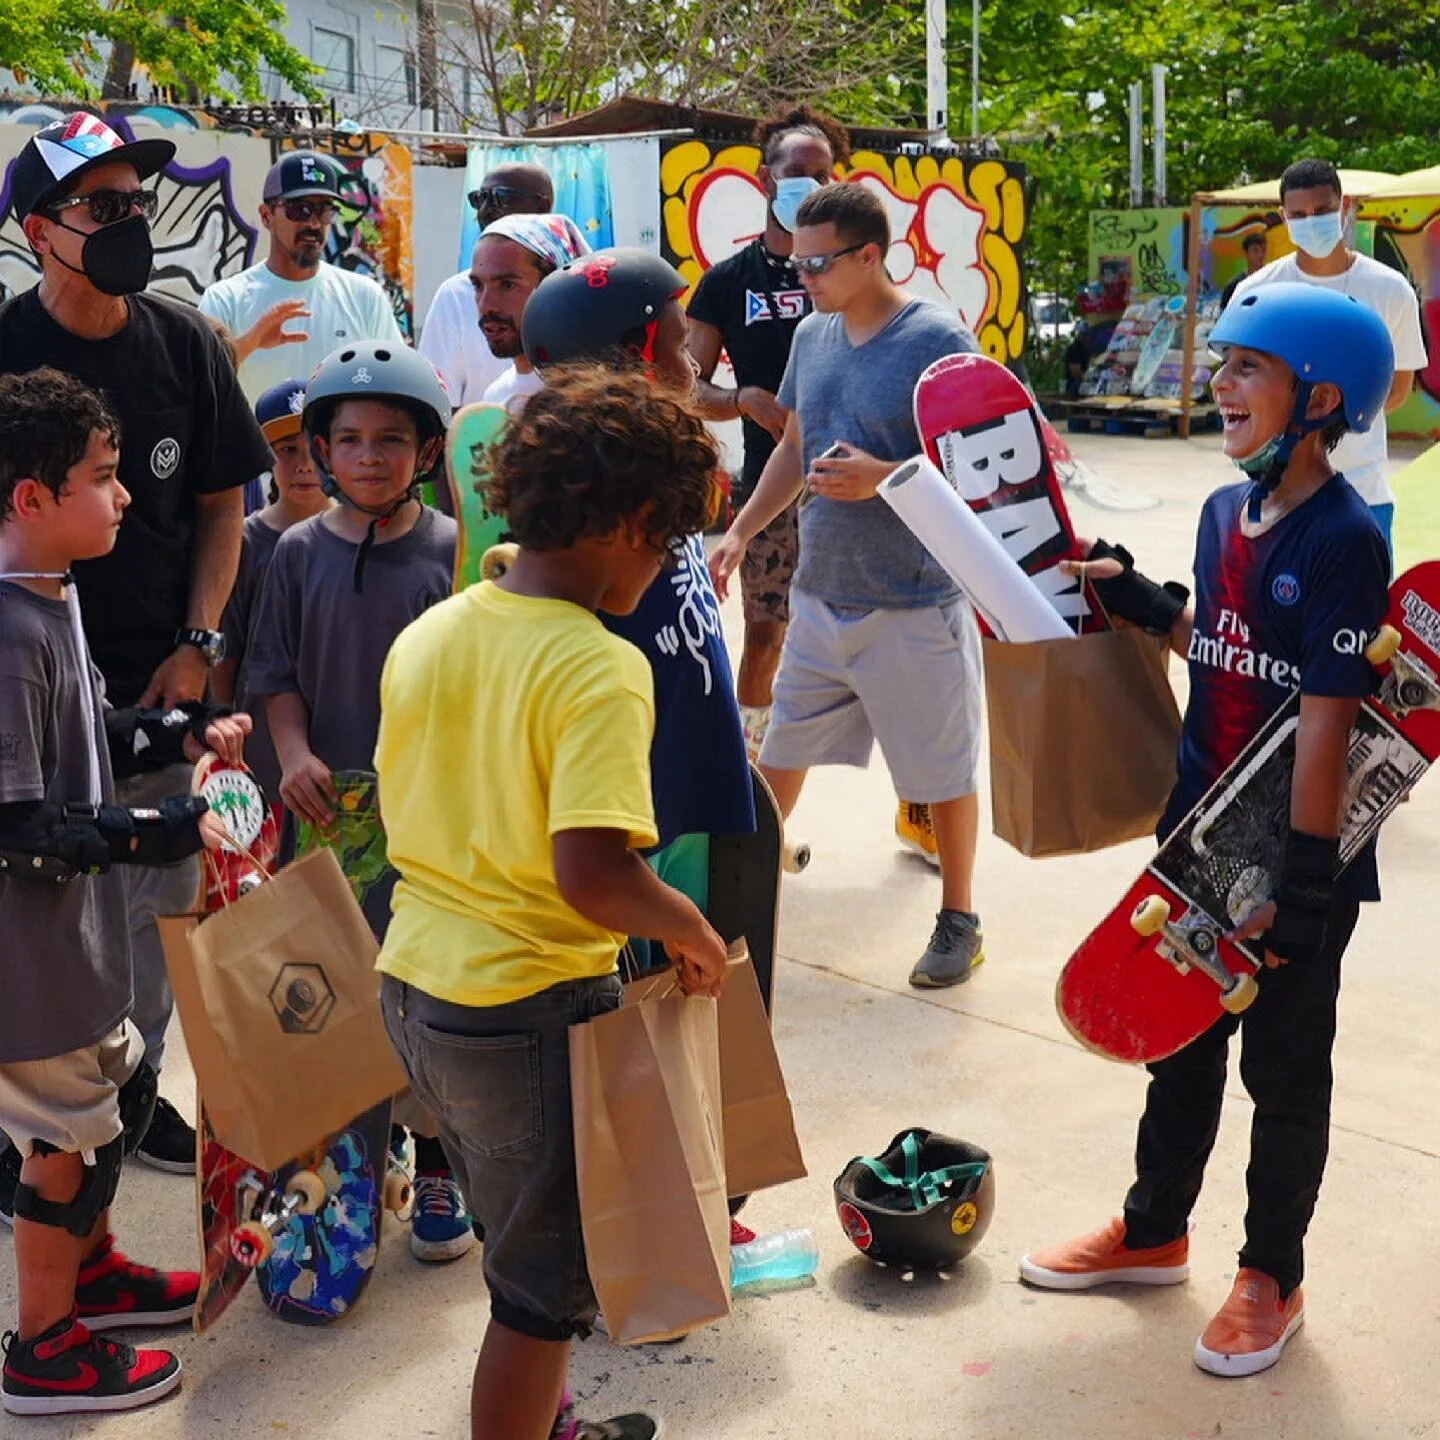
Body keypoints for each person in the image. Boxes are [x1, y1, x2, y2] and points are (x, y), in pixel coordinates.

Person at [1019, 283, 1395, 1380]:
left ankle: (1270, 1278)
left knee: (1284, 1076)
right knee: (1177, 1049)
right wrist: (1148, 604)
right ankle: (1151, 1231)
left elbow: (1322, 731)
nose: (1218, 383)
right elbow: (1233, 650)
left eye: (1246, 369)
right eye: (1220, 362)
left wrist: (1307, 889)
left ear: (1318, 398)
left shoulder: (1343, 543)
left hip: (1289, 860)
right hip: (1194, 838)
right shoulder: (1225, 513)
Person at [375, 363, 728, 1440]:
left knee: (515, 1228)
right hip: (524, 1008)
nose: (665, 565)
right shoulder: (597, 666)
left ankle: (548, 1422)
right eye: (667, 541)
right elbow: (595, 875)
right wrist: (693, 929)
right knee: (541, 1294)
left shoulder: (437, 629)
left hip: (418, 988)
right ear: (628, 522)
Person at [0, 115, 272, 1173]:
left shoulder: (186, 342)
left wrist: (200, 644)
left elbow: (221, 507)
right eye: (101, 206)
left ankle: (133, 1085)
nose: (129, 222)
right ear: (40, 230)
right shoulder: (7, 352)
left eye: (136, 204)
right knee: (33, 904)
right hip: (28, 687)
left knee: (157, 903)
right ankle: (30, 1110)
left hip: (163, 678)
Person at [0, 367, 249, 1415]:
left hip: (76, 947)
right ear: (31, 499)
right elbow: (17, 827)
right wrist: (161, 827)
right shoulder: (6, 636)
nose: (128, 497)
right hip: (28, 962)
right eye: (104, 479)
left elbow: (90, 733)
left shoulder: (53, 599)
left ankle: (93, 1277)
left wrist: (177, 734)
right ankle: (44, 1349)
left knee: (126, 1088)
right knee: (66, 1143)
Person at [708, 183, 988, 989]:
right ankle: (733, 902)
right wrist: (741, 529)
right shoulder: (815, 335)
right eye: (796, 264)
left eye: (820, 263)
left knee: (942, 775)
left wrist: (888, 477)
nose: (804, 279)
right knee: (782, 754)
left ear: (872, 255)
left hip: (914, 599)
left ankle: (960, 919)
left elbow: (980, 462)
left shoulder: (936, 338)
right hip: (820, 596)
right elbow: (793, 449)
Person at [244, 342, 476, 1264]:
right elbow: (275, 674)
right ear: (322, 452)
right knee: (339, 994)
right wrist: (293, 751)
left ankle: (439, 1160)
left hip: (433, 824)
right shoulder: (296, 553)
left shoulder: (459, 554)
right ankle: (347, 1167)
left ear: (427, 452)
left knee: (432, 993)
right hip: (326, 821)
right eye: (349, 440)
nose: (370, 456)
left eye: (392, 439)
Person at [521, 248, 755, 927]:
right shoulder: (584, 492)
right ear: (633, 354)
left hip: (689, 754)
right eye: (681, 347)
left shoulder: (659, 459)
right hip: (627, 788)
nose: (694, 368)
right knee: (643, 973)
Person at [686, 104, 849, 763]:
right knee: (764, 636)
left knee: (882, 642)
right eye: (795, 172)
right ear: (764, 180)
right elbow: (686, 387)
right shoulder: (727, 283)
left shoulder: (852, 272)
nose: (807, 185)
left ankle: (920, 802)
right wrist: (742, 398)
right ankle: (746, 775)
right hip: (771, 490)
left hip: (853, 486)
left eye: (821, 174)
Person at [1231, 157, 1428, 554]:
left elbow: (1398, 389)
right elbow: (1239, 389)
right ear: (1282, 217)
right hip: (1277, 495)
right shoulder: (1256, 293)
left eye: (1322, 211)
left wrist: (1329, 424)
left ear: (1345, 206)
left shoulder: (1390, 291)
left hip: (1364, 493)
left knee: (1361, 616)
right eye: (1299, 215)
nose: (1311, 221)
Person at [199, 150, 405, 403]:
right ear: (267, 216)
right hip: (255, 443)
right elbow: (198, 387)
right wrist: (248, 344)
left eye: (325, 211)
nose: (314, 224)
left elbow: (396, 383)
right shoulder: (226, 299)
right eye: (300, 209)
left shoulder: (364, 296)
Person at [212, 378, 333, 810]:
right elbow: (227, 649)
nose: (304, 465)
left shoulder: (358, 535)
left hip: (336, 735)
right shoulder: (245, 540)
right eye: (286, 451)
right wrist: (224, 720)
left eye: (313, 450)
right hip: (260, 741)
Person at [419, 162, 555, 410]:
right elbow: (439, 402)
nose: (486, 210)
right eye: (479, 199)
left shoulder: (586, 395)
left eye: (501, 198)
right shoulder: (454, 295)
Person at [470, 213, 590, 413]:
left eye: (507, 285)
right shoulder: (496, 397)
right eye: (478, 285)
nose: (486, 305)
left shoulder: (587, 399)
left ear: (554, 285)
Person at [1219, 229, 1269, 312]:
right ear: (1246, 253)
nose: (1260, 255)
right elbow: (1222, 317)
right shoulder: (1234, 285)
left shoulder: (1271, 281)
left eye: (1263, 250)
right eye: (1255, 250)